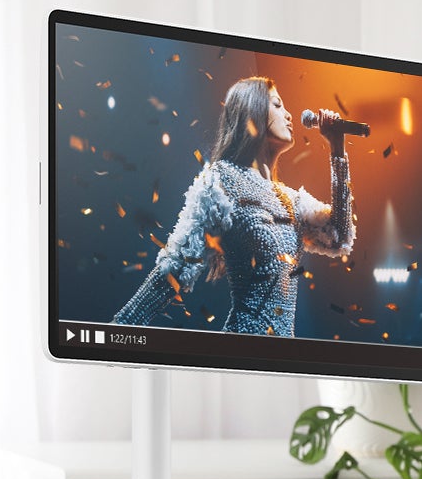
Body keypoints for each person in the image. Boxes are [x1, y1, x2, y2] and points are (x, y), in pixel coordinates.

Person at [113, 77, 358, 337]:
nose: (289, 115)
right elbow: (174, 269)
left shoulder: (291, 200)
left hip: (283, 361)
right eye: (277, 105)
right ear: (252, 111)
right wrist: (113, 335)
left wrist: (337, 148)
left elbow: (339, 237)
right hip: (242, 348)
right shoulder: (221, 180)